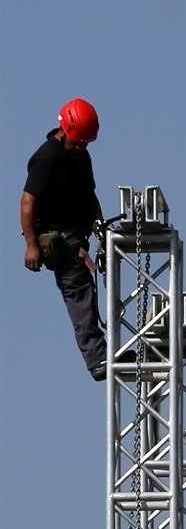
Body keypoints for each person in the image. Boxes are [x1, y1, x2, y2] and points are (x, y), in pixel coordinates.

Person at [21, 98, 109, 381]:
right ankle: (98, 359)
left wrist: (101, 228)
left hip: (77, 235)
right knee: (79, 292)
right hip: (58, 239)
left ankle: (105, 351)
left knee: (89, 290)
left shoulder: (80, 156)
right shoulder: (47, 157)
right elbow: (27, 202)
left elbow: (89, 195)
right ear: (66, 131)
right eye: (79, 142)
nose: (83, 147)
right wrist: (32, 245)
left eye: (86, 143)